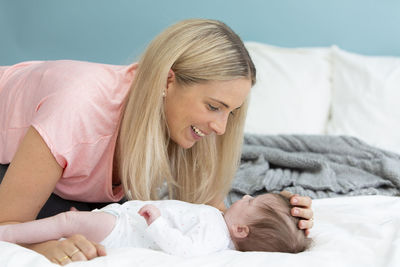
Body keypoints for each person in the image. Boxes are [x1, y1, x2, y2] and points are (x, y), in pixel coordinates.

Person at [0, 19, 314, 264]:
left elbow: (213, 215)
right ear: (168, 80)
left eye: (230, 113)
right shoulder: (77, 111)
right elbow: (6, 224)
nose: (220, 127)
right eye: (214, 107)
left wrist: (282, 217)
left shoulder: (181, 123)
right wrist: (42, 247)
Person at [0, 193, 311, 262]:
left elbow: (185, 251)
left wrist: (157, 222)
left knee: (69, 222)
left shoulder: (216, 234)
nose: (245, 196)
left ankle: (9, 233)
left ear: (242, 231)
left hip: (126, 228)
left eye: (251, 202)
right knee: (76, 220)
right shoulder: (219, 221)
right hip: (125, 217)